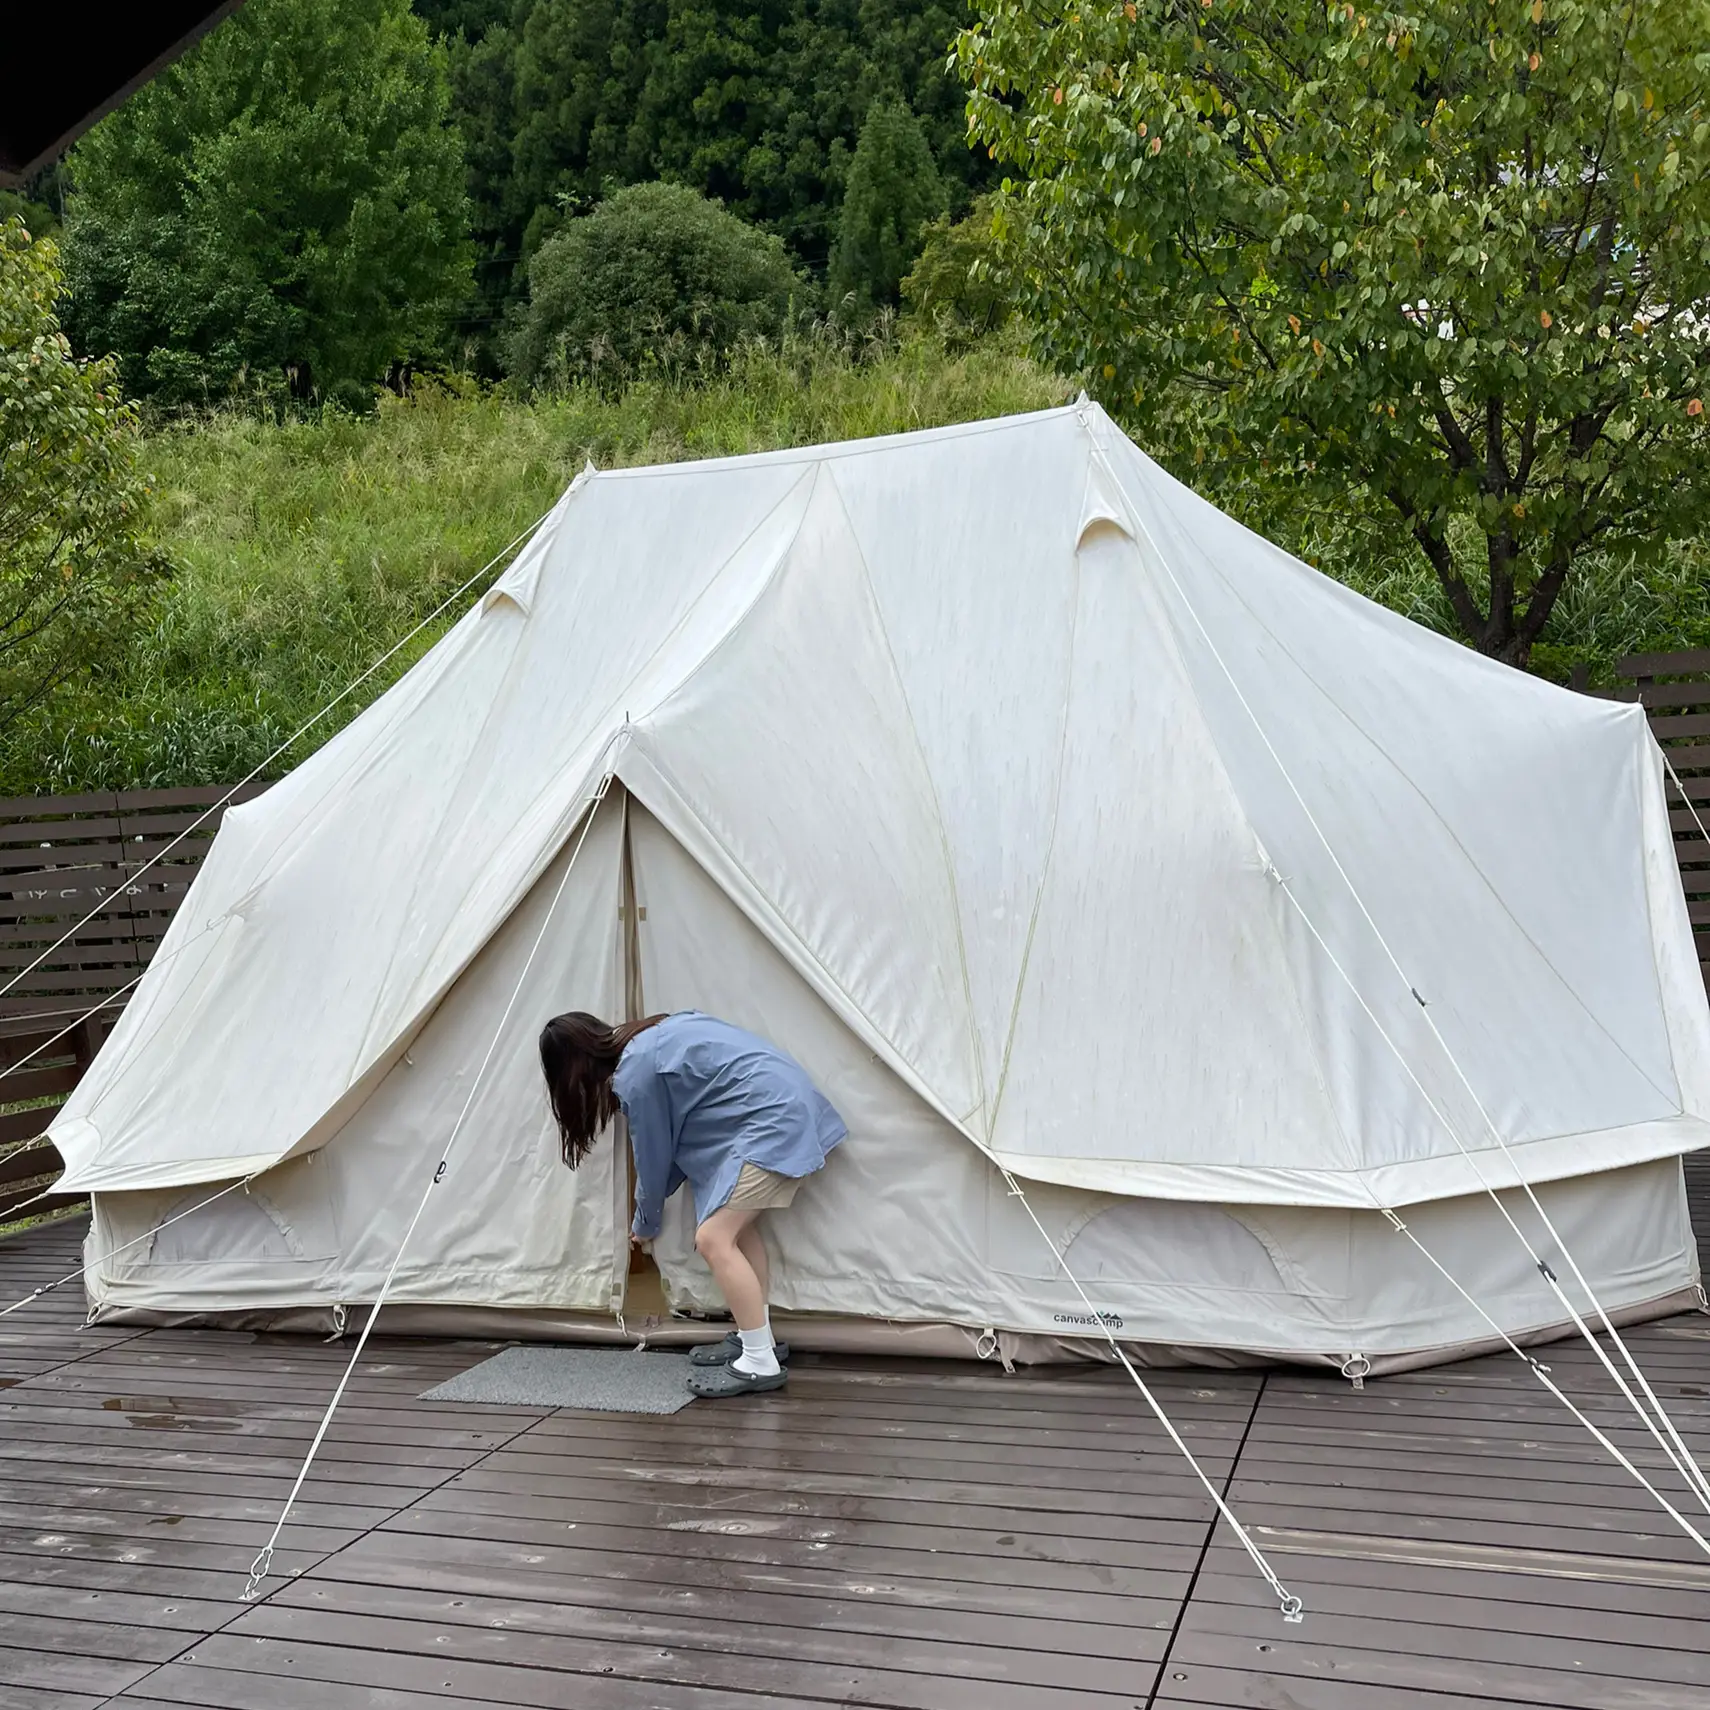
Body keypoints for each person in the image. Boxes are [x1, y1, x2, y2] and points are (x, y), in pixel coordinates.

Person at [538, 1009, 846, 1397]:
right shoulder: (650, 1038)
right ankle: (758, 1338)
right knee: (737, 1234)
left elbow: (652, 1158)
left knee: (713, 1239)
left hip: (773, 1118)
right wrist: (648, 1214)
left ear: (572, 1068)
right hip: (783, 1104)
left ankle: (759, 1361)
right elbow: (671, 1146)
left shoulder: (637, 1073)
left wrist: (644, 1223)